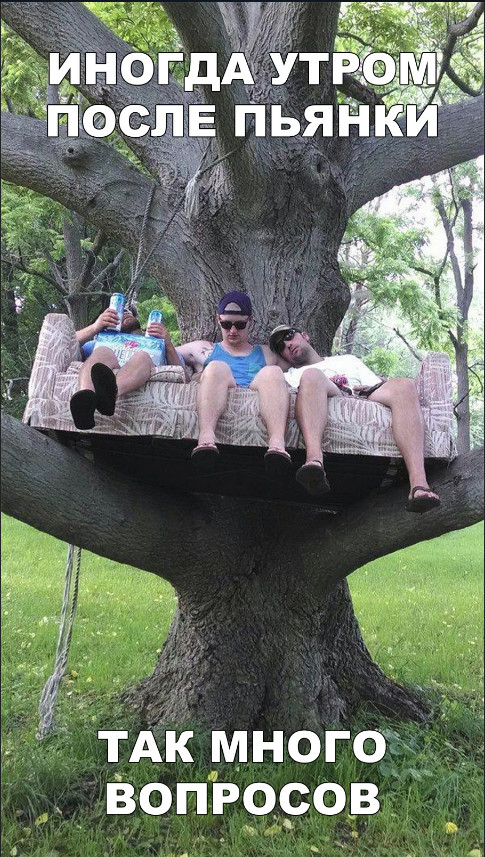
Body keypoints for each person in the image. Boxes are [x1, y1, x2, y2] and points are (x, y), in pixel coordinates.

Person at [269, 324, 441, 513]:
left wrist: (377, 386)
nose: (287, 344)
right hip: (327, 394)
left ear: (305, 335)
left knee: (405, 386)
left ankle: (419, 486)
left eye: (289, 336)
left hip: (362, 395)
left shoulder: (348, 360)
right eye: (280, 346)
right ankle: (314, 463)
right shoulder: (290, 375)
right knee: (311, 375)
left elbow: (375, 385)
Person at [177, 291, 292, 472]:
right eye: (226, 324)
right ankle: (206, 439)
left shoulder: (267, 353)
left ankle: (277, 444)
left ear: (250, 321)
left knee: (273, 372)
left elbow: (304, 366)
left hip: (257, 388)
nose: (232, 331)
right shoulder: (203, 349)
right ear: (218, 320)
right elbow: (161, 351)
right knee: (216, 367)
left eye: (240, 325)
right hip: (218, 383)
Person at [70, 305, 185, 430]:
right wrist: (94, 327)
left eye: (128, 311)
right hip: (107, 362)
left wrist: (167, 344)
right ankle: (85, 400)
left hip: (138, 367)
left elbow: (184, 377)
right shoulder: (98, 342)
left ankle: (109, 395)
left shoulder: (159, 345)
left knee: (142, 356)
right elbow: (68, 343)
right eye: (119, 312)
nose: (126, 313)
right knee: (102, 351)